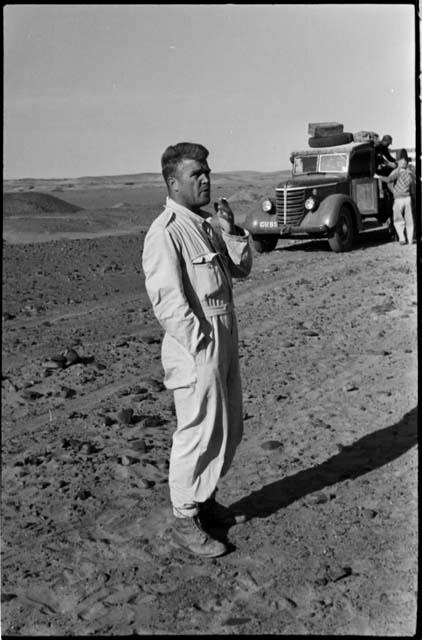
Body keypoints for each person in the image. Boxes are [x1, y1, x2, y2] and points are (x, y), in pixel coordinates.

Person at [142, 142, 253, 558]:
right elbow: (168, 302)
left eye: (207, 171)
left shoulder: (205, 225)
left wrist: (229, 229)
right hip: (197, 346)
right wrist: (199, 341)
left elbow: (240, 269)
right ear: (173, 183)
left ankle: (204, 502)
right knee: (196, 432)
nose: (206, 179)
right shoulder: (166, 232)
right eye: (196, 174)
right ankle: (185, 519)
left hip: (222, 336)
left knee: (226, 428)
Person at [375, 155, 416, 245]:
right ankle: (410, 239)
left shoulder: (396, 172)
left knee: (398, 220)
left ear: (400, 164)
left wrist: (378, 177)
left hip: (398, 199)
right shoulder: (411, 174)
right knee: (409, 220)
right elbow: (413, 188)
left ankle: (402, 238)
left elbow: (389, 180)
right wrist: (413, 198)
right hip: (408, 198)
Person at [374, 134, 398, 238]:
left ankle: (388, 189)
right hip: (374, 169)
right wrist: (388, 163)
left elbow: (388, 157)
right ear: (385, 141)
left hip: (379, 168)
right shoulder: (377, 147)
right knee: (386, 173)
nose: (388, 145)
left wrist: (395, 162)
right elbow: (380, 159)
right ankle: (386, 189)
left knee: (389, 171)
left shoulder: (384, 148)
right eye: (388, 143)